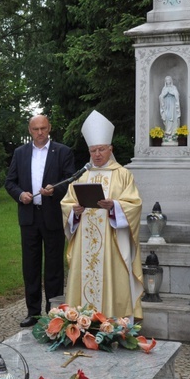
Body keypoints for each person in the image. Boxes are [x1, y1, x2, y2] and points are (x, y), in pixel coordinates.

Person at [61, 110, 144, 320]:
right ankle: (80, 321)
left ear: (110, 149)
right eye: (93, 150)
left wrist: (114, 206)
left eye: (101, 150)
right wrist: (75, 212)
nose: (97, 154)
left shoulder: (123, 174)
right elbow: (67, 203)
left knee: (112, 278)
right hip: (85, 242)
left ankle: (114, 321)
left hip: (111, 242)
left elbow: (134, 204)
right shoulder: (82, 175)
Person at [5, 115, 75, 327]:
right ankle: (33, 312)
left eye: (43, 128)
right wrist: (20, 195)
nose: (40, 132)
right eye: (35, 129)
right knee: (31, 266)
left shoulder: (63, 151)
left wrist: (55, 189)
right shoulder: (20, 153)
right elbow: (10, 182)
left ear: (49, 128)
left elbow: (71, 179)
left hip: (52, 215)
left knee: (54, 266)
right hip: (29, 216)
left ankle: (54, 312)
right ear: (29, 130)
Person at [159, 76, 181, 141]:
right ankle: (168, 132)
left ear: (171, 81)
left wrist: (172, 93)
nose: (168, 81)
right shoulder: (164, 88)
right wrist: (164, 94)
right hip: (166, 105)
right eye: (166, 80)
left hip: (173, 105)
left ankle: (174, 133)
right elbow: (161, 96)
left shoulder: (174, 88)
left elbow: (177, 95)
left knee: (173, 118)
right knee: (167, 117)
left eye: (169, 80)